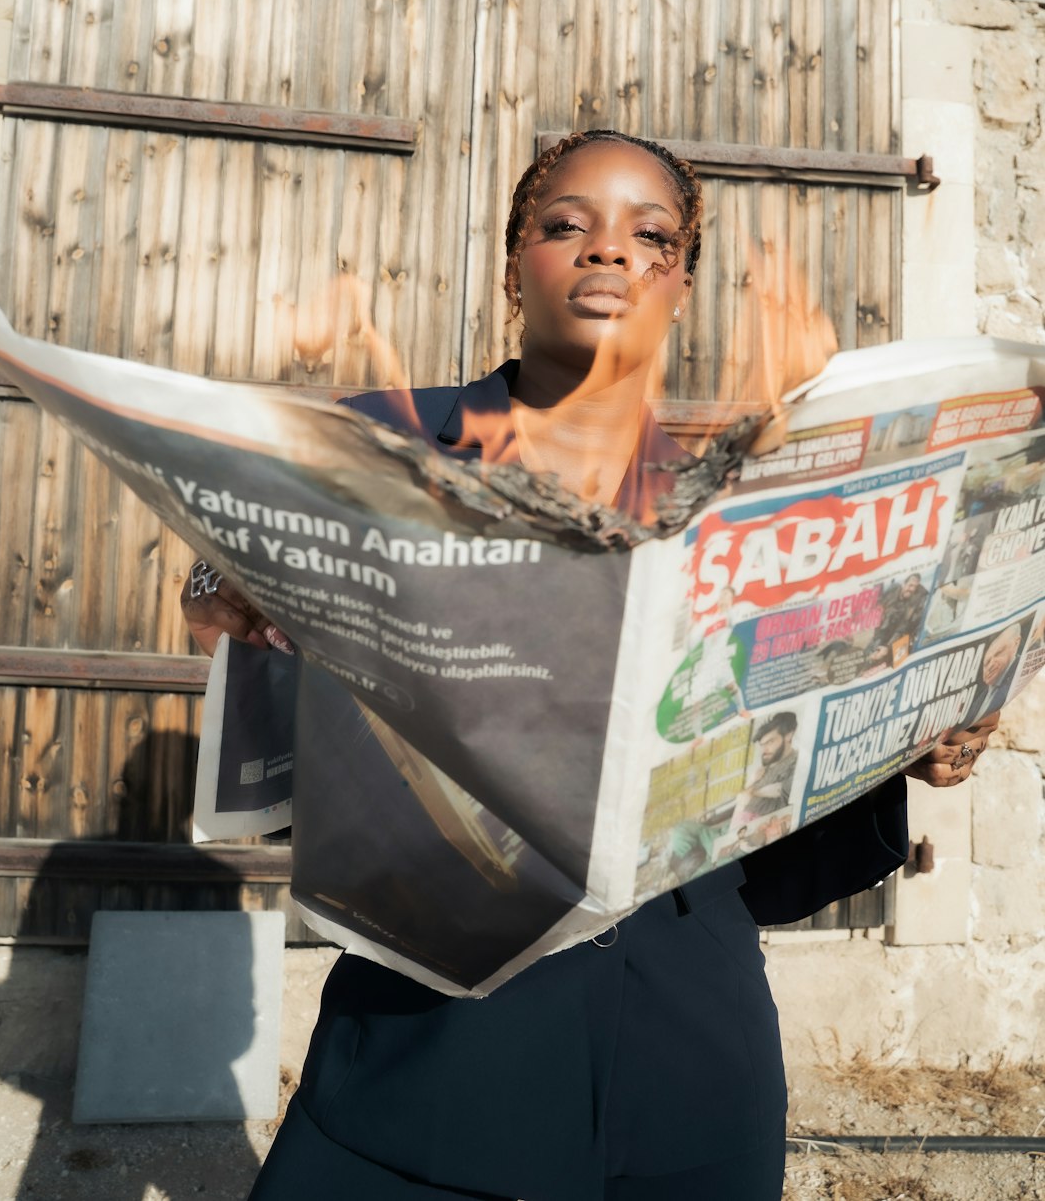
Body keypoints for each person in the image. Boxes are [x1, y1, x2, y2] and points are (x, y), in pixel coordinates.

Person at [183, 130, 998, 1201]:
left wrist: (911, 734)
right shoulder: (382, 444)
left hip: (690, 1056)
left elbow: (780, 826)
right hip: (429, 1056)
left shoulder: (741, 507)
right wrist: (223, 597)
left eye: (649, 237)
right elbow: (219, 608)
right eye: (565, 226)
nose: (607, 252)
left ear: (683, 285)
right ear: (516, 264)